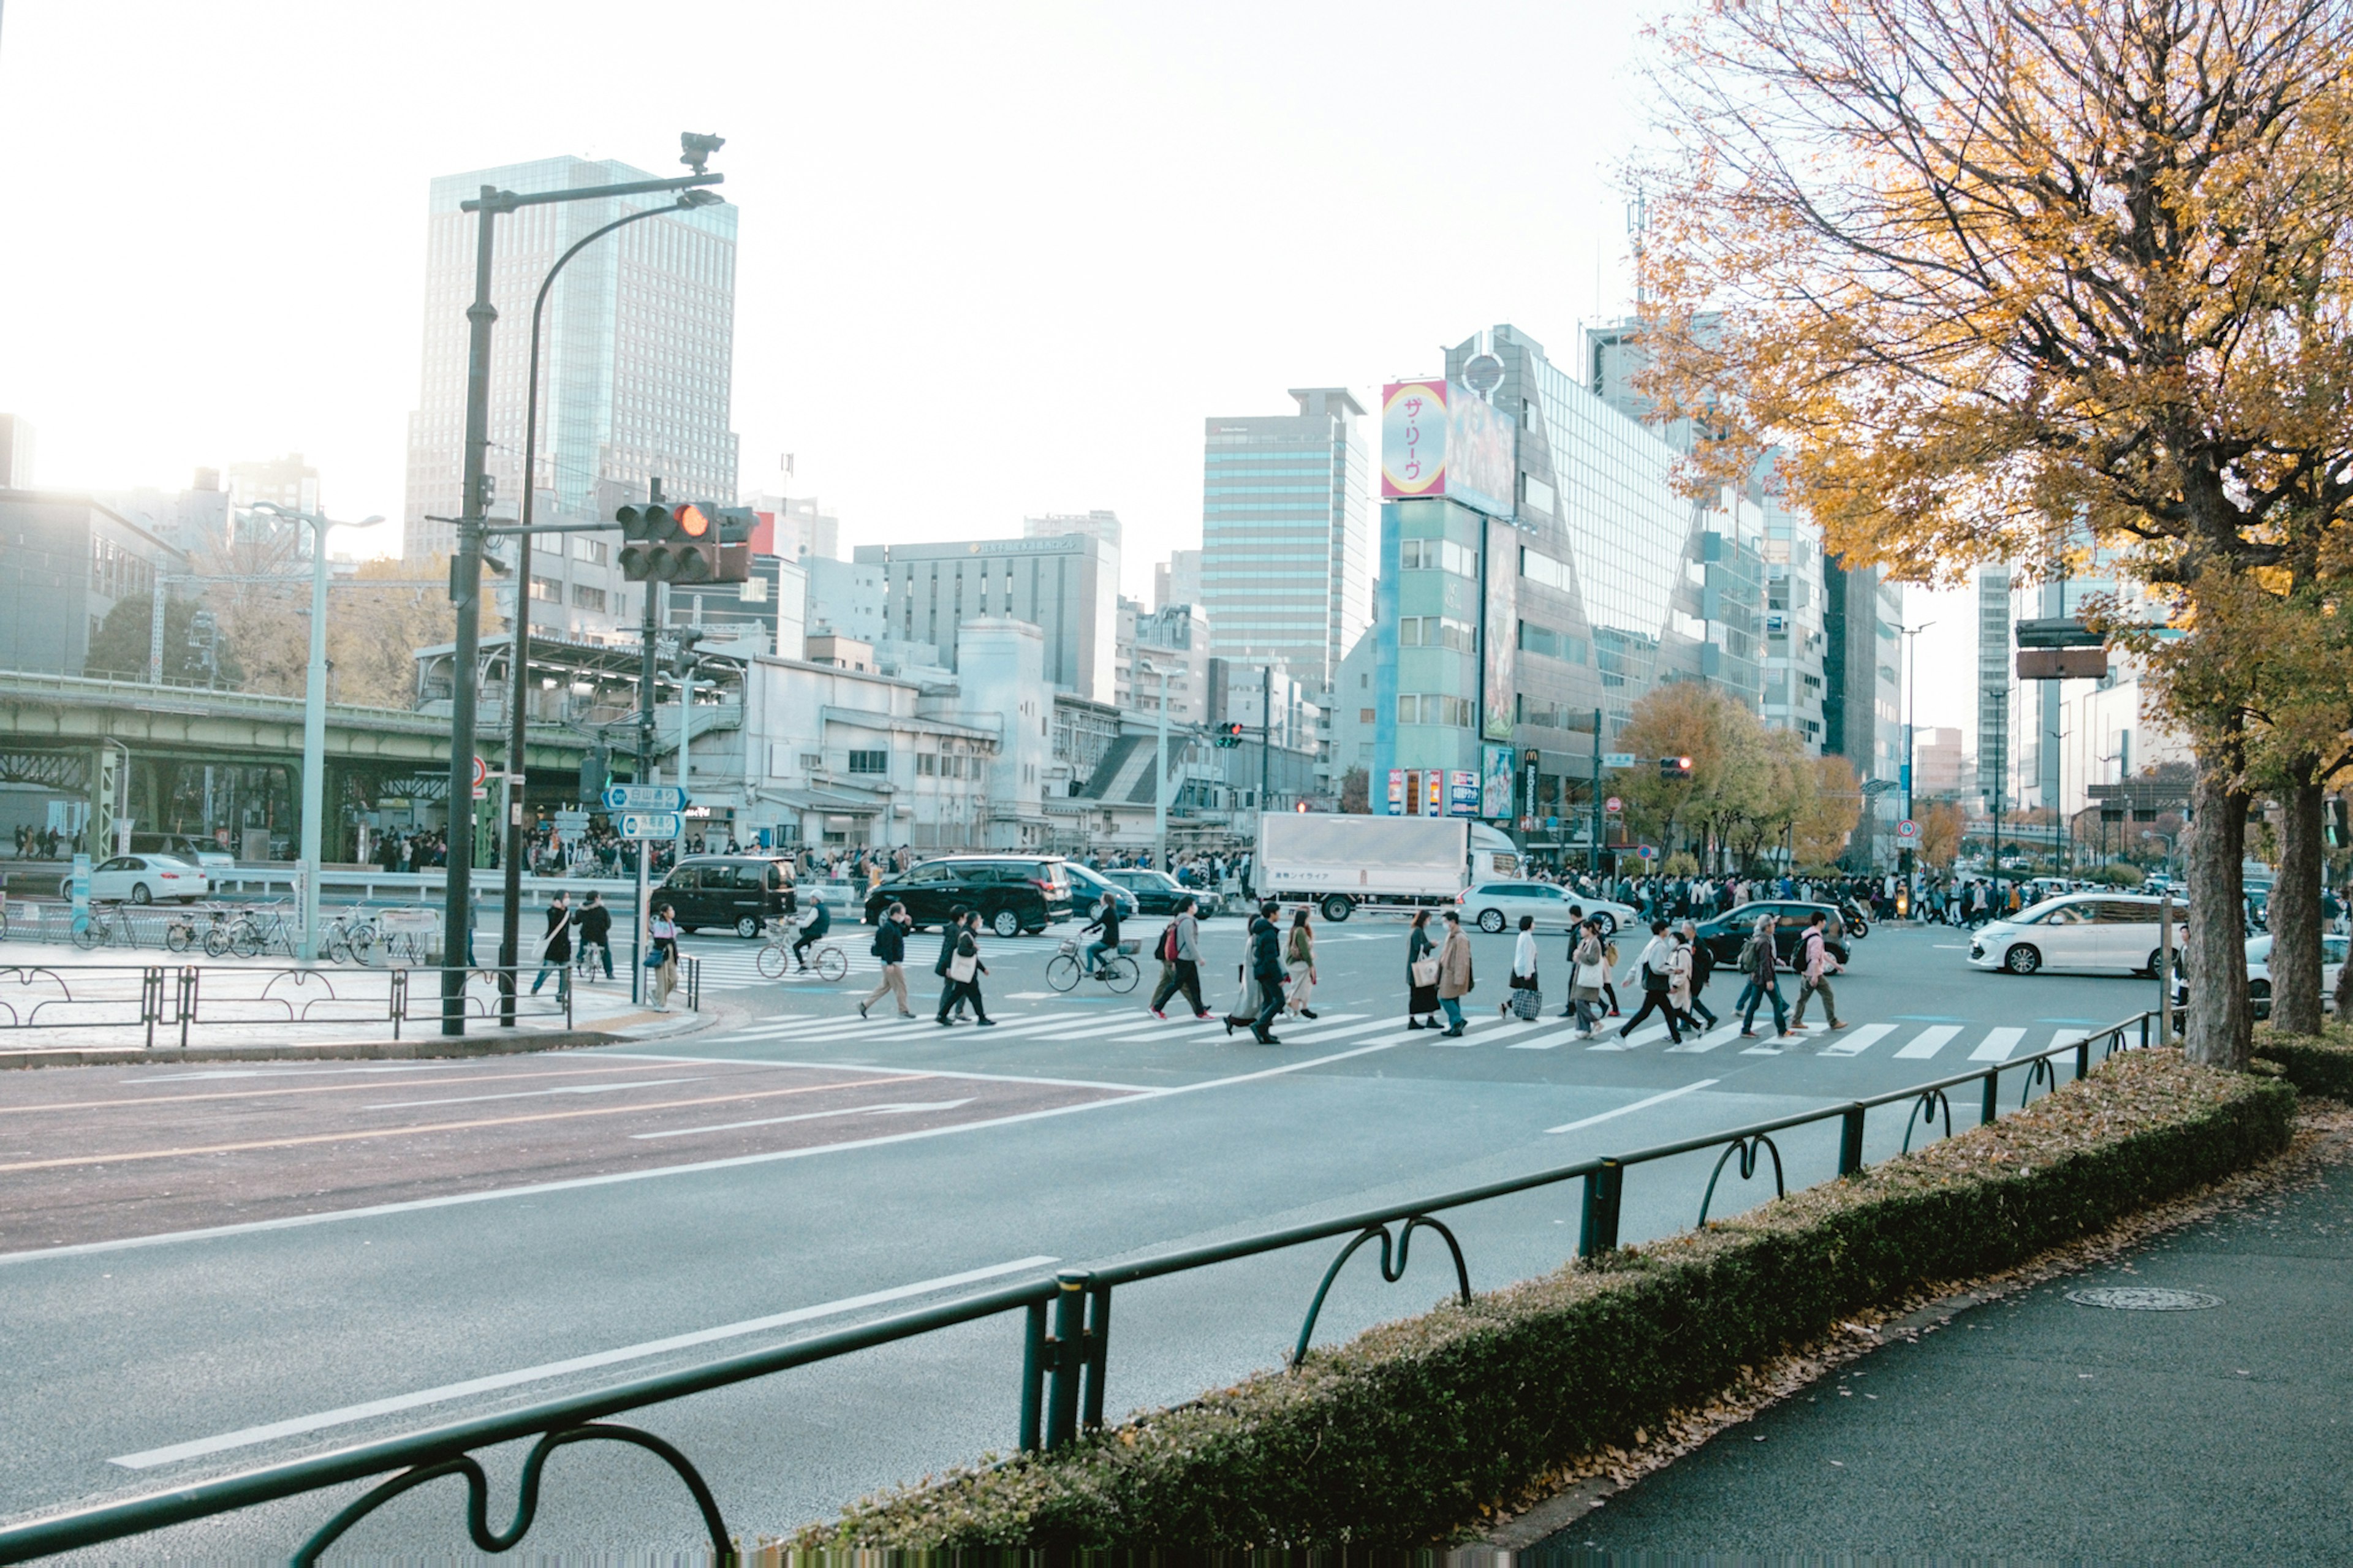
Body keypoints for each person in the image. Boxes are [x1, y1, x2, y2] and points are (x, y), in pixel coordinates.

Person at [1616, 920, 1684, 1045]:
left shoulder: (1652, 944)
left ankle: (1678, 1040)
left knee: (1664, 1012)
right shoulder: (1660, 946)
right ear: (1662, 931)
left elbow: (1640, 962)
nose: (1668, 931)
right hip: (1656, 985)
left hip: (1653, 984)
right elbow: (1658, 967)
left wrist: (1630, 977)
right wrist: (1674, 970)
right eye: (1666, 929)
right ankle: (1621, 1034)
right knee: (1652, 1012)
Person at [1149, 894, 1211, 1019]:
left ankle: (1200, 1011)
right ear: (1189, 907)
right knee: (1177, 984)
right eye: (1194, 904)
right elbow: (1190, 942)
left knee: (1193, 986)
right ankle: (1157, 1008)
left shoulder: (1179, 919)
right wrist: (1199, 958)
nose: (1195, 907)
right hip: (1184, 959)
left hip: (1185, 958)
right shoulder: (1187, 921)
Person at [1787, 910, 1848, 1033]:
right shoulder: (1817, 939)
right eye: (1824, 921)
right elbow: (1815, 958)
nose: (1825, 923)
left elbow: (1822, 954)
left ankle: (1796, 1020)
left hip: (1807, 972)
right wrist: (1815, 976)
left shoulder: (1809, 935)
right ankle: (1833, 1021)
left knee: (1803, 998)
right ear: (1820, 922)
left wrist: (1836, 965)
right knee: (1828, 995)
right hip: (1814, 973)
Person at [936, 910, 995, 1026]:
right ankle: (981, 1018)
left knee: (956, 994)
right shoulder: (966, 935)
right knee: (975, 995)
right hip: (967, 972)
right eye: (979, 920)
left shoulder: (967, 933)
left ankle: (942, 1015)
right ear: (974, 922)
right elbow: (963, 952)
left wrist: (983, 969)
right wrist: (974, 949)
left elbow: (972, 957)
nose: (980, 923)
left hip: (966, 971)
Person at [1735, 914, 1789, 1037]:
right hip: (1765, 978)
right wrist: (1769, 980)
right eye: (1772, 925)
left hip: (1756, 978)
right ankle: (1782, 1030)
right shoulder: (1765, 942)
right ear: (1767, 927)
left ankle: (1746, 1028)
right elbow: (1765, 963)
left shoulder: (1757, 938)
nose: (1774, 927)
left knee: (1753, 1005)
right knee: (1777, 1003)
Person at [860, 901, 914, 1018]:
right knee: (901, 986)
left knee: (885, 987)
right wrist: (889, 963)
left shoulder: (893, 925)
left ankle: (865, 1004)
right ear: (897, 914)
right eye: (903, 914)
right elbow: (887, 947)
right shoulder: (888, 927)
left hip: (892, 961)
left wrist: (908, 925)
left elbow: (903, 934)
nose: (904, 916)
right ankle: (903, 1010)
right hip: (892, 962)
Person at [1248, 901, 1288, 1043]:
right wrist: (1279, 978)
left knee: (1269, 1000)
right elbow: (1272, 958)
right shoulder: (1270, 933)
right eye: (1278, 912)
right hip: (1267, 970)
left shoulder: (1261, 929)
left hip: (1261, 969)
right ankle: (1260, 1026)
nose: (1280, 915)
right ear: (1272, 914)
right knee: (1279, 1001)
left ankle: (1264, 1032)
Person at [1434, 909, 1474, 1037]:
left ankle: (1458, 1021)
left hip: (1452, 973)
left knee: (1444, 998)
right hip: (1447, 972)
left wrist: (1459, 978)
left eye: (1446, 922)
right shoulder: (1452, 934)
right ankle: (1455, 1028)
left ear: (1453, 922)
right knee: (1453, 999)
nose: (1444, 924)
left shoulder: (1460, 937)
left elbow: (1462, 960)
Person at [1568, 920, 1608, 1039]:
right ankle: (1585, 1029)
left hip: (1588, 977)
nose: (1581, 931)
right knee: (1583, 1002)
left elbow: (1593, 959)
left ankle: (1596, 1022)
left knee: (1580, 1002)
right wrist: (1577, 956)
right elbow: (1577, 957)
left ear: (1590, 929)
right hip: (1581, 975)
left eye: (1583, 929)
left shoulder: (1595, 943)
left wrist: (1580, 955)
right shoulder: (1584, 942)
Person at [1406, 909, 1442, 1030]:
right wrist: (1431, 944)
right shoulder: (1418, 932)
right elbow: (1420, 948)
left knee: (1417, 995)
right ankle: (1427, 1018)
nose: (1429, 922)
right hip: (1419, 970)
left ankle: (1416, 1019)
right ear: (1424, 919)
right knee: (1428, 993)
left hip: (1415, 969)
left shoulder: (1416, 931)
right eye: (1428, 919)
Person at [530, 892, 572, 994]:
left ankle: (561, 995)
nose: (567, 899)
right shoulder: (552, 912)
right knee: (546, 971)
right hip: (553, 947)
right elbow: (554, 923)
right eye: (565, 897)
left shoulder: (568, 912)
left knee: (565, 975)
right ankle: (536, 987)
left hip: (564, 948)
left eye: (568, 897)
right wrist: (558, 909)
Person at [933, 905, 970, 1021]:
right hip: (952, 964)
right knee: (951, 988)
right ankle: (944, 1013)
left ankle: (954, 1012)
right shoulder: (954, 930)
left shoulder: (956, 928)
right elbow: (949, 950)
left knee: (959, 987)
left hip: (955, 963)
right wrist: (949, 967)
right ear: (961, 917)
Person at [1681, 920, 1718, 1029]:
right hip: (1689, 976)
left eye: (1684, 929)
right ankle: (1710, 1018)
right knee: (1692, 1000)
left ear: (1691, 931)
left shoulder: (1700, 944)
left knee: (1689, 999)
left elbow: (1706, 962)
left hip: (1696, 977)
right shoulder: (1686, 942)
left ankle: (1686, 1024)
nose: (1682, 931)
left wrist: (1705, 977)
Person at [1283, 907, 1319, 1019]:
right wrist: (1311, 965)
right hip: (1299, 963)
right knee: (1298, 989)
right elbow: (1304, 950)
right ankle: (1296, 1013)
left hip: (1293, 963)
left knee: (1298, 987)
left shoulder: (1295, 929)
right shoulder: (1301, 931)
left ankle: (1298, 1008)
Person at [1503, 914, 1539, 1018]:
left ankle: (1508, 1006)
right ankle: (1524, 1011)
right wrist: (1528, 972)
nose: (1534, 925)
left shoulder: (1523, 935)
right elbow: (1528, 956)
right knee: (1529, 992)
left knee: (1526, 991)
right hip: (1526, 968)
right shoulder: (1527, 937)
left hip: (1521, 967)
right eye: (1533, 923)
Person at [647, 902, 681, 1011]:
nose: (673, 912)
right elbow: (659, 939)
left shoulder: (671, 923)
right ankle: (661, 1004)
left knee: (673, 979)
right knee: (662, 979)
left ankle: (656, 994)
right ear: (665, 913)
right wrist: (670, 939)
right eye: (670, 910)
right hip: (662, 952)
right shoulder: (659, 925)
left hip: (671, 950)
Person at [1080, 893, 1123, 979]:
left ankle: (1089, 970)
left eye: (1102, 899)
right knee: (1095, 952)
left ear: (1105, 901)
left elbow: (1099, 922)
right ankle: (1108, 966)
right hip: (1111, 938)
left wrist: (1084, 930)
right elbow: (1104, 924)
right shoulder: (1111, 910)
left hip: (1109, 939)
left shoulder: (1108, 911)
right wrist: (1094, 931)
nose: (1100, 900)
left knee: (1090, 949)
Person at [576, 892, 613, 983]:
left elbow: (576, 921)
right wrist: (604, 929)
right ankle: (609, 972)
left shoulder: (582, 909)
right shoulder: (602, 910)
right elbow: (608, 923)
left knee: (583, 945)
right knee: (606, 953)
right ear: (596, 898)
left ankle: (580, 958)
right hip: (600, 935)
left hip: (586, 933)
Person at [791, 896, 832, 971]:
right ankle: (810, 954)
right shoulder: (823, 907)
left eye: (811, 898)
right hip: (821, 931)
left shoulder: (815, 909)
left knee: (796, 947)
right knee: (804, 933)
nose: (810, 900)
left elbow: (806, 924)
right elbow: (812, 919)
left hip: (814, 932)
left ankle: (803, 965)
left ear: (815, 899)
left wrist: (795, 922)